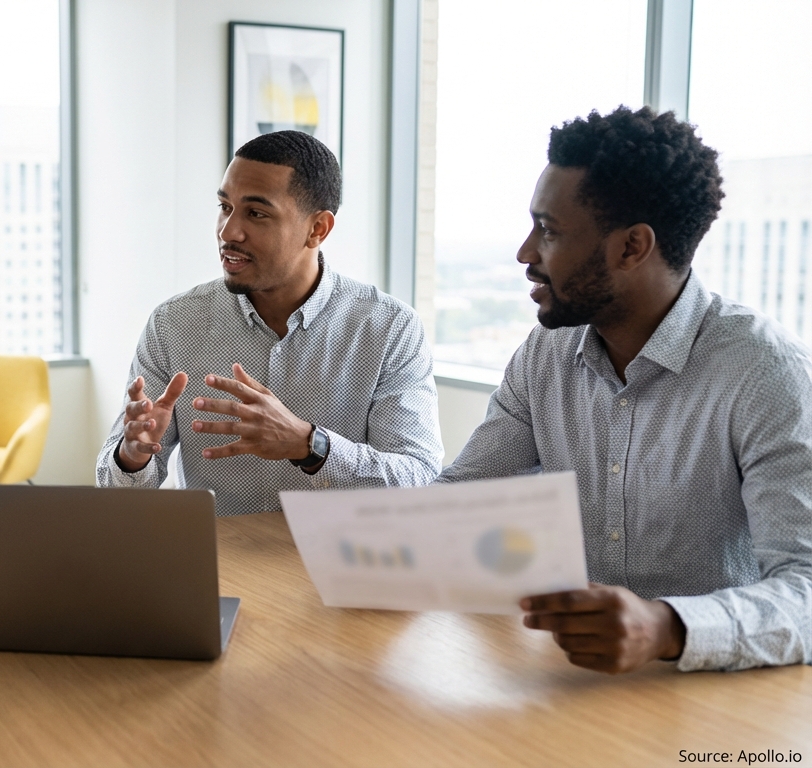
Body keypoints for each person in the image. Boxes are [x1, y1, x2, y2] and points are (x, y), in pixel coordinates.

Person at [440, 106, 812, 673]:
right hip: (569, 681)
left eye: (550, 231)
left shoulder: (766, 371)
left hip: (715, 695)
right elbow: (458, 501)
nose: (525, 253)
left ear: (633, 247)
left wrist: (665, 627)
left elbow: (807, 590)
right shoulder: (545, 354)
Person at [96, 130, 442, 515]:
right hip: (220, 563)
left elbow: (420, 478)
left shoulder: (389, 328)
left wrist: (309, 445)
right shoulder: (173, 324)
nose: (229, 232)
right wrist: (132, 456)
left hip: (339, 562)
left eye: (256, 213)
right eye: (225, 207)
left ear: (318, 229)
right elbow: (116, 492)